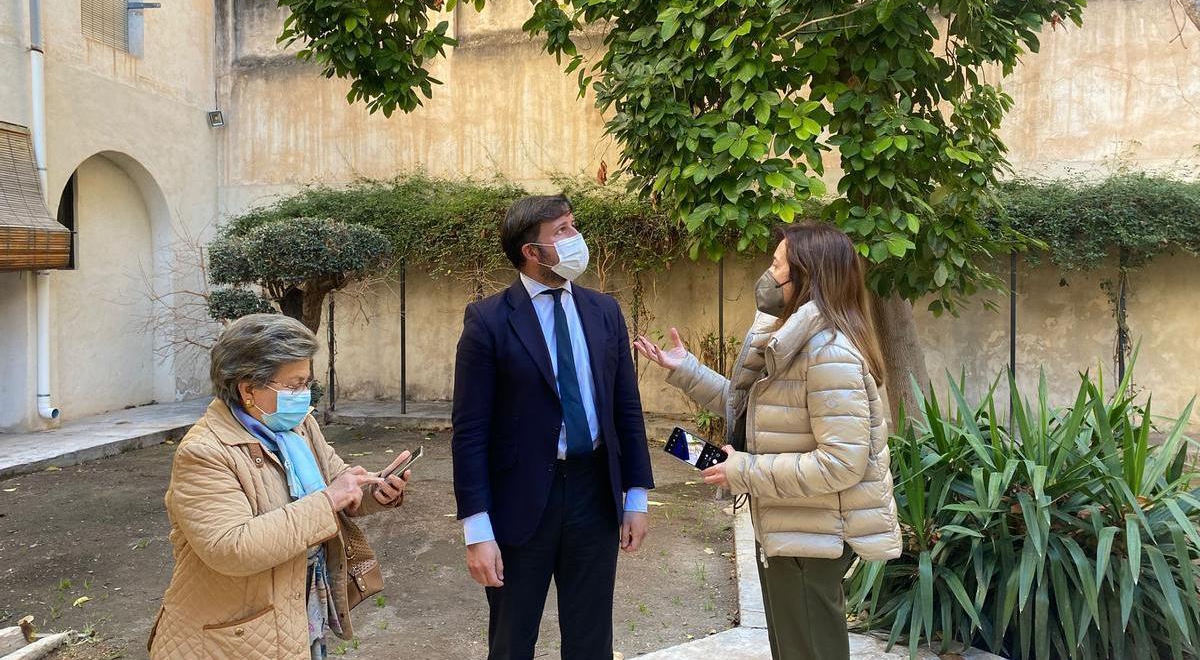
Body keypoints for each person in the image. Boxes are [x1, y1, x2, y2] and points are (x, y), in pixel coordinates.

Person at [635, 221, 901, 660]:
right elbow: (753, 411)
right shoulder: (795, 339)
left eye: (777, 265)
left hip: (811, 539)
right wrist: (685, 369)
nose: (768, 274)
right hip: (790, 528)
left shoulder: (828, 352)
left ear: (806, 277)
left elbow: (840, 463)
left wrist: (746, 471)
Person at [452, 194, 656, 659]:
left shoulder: (604, 311)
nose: (575, 238)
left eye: (572, 226)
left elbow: (626, 408)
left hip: (593, 493)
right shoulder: (488, 321)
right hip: (520, 502)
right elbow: (469, 432)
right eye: (562, 231)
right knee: (511, 639)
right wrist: (477, 530)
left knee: (591, 640)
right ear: (532, 251)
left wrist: (636, 496)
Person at [148, 314, 413, 659]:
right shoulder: (204, 452)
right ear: (247, 389)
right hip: (232, 636)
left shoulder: (298, 427)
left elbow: (337, 482)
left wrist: (374, 492)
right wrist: (328, 500)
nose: (304, 396)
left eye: (306, 384)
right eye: (293, 385)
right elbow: (232, 547)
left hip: (297, 608)